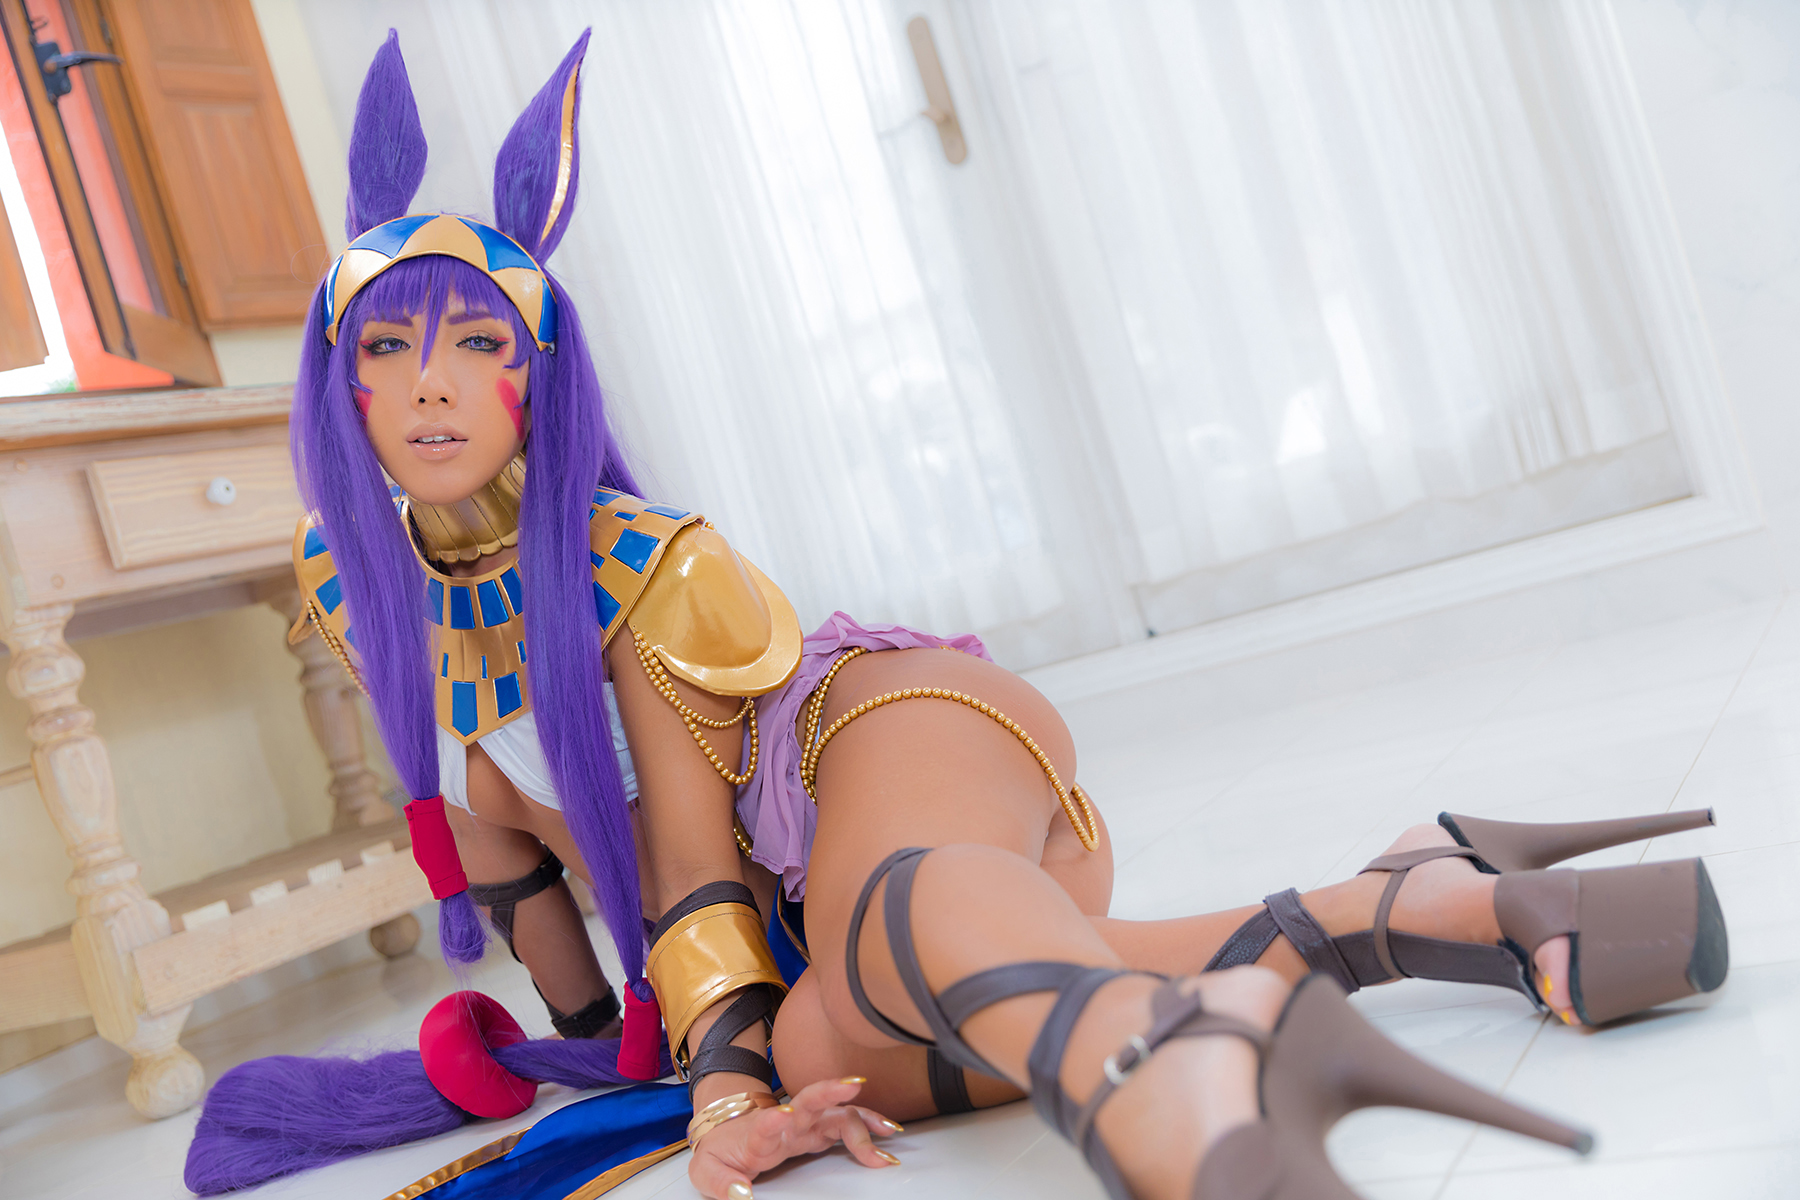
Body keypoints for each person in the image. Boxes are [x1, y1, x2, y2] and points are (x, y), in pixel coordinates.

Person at [187, 31, 1725, 1200]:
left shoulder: (629, 563)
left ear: (540, 377)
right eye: (387, 349)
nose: (432, 384)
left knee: (865, 947)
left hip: (882, 738)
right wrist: (636, 1053)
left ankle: (1170, 1095)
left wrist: (720, 1097)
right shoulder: (365, 600)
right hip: (892, 910)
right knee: (825, 1039)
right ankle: (1414, 902)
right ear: (341, 380)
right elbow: (542, 908)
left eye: (477, 345)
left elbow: (698, 874)